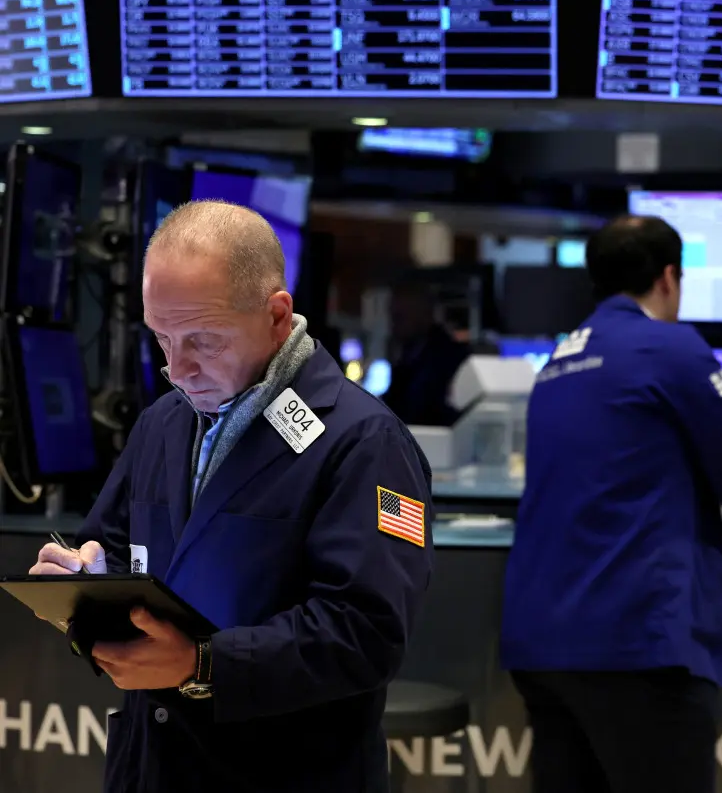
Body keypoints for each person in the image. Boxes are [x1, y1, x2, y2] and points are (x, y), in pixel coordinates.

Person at [29, 200, 435, 793]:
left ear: (276, 315)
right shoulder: (163, 422)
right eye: (162, 340)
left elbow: (366, 631)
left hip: (284, 771)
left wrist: (203, 664)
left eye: (204, 340)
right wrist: (81, 585)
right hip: (152, 766)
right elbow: (112, 546)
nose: (179, 368)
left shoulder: (365, 440)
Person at [500, 214, 722, 793]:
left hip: (543, 642)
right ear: (670, 277)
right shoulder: (669, 346)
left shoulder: (560, 359)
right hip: (636, 639)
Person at [380, 279, 471, 426]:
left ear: (424, 313)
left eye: (399, 317)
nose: (393, 326)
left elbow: (417, 410)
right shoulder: (406, 357)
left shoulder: (448, 357)